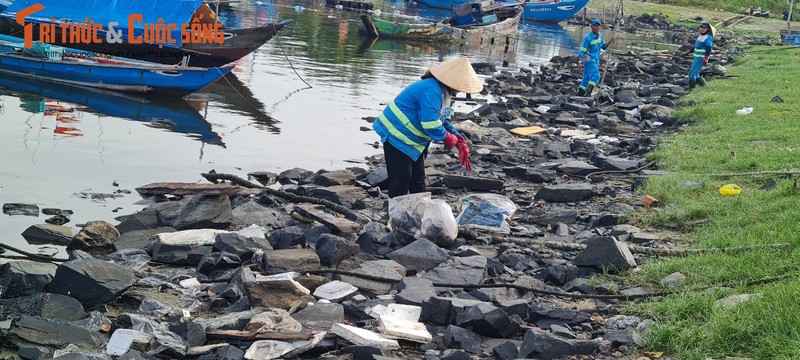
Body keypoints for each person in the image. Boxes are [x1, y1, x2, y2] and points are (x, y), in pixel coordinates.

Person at [372, 56, 481, 198]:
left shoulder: (444, 93)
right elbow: (431, 125)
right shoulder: (431, 90)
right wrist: (449, 138)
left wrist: (459, 139)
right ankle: (395, 213)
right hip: (396, 134)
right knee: (401, 179)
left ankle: (420, 210)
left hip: (414, 140)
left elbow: (444, 119)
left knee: (418, 179)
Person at [576, 19, 615, 97]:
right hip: (588, 59)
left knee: (586, 77)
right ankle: (588, 93)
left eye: (598, 26)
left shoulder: (600, 36)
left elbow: (603, 47)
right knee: (596, 76)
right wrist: (579, 62)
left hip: (595, 59)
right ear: (591, 26)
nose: (596, 27)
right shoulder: (587, 38)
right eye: (595, 25)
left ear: (600, 27)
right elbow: (582, 51)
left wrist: (609, 42)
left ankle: (580, 94)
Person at [681, 22, 714, 88]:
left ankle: (691, 89)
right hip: (696, 58)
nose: (702, 29)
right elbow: (695, 47)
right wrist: (687, 52)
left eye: (704, 28)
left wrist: (706, 58)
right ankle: (704, 86)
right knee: (695, 73)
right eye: (701, 27)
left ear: (707, 29)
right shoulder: (700, 36)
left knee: (692, 74)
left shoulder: (708, 37)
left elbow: (708, 49)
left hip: (701, 59)